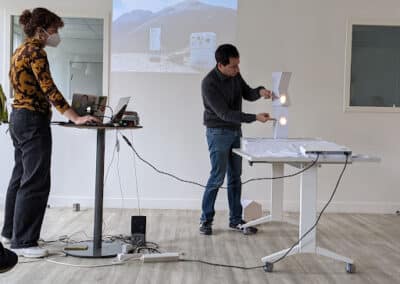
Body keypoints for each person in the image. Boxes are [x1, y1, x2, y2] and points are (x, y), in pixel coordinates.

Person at [1, 8, 100, 258]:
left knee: (21, 176)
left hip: (18, 118)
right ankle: (24, 243)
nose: (55, 36)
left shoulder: (19, 50)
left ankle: (11, 233)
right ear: (41, 30)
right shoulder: (36, 51)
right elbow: (49, 88)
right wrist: (75, 117)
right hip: (32, 121)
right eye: (54, 31)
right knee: (35, 180)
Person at [200, 44, 274, 235]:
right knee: (217, 177)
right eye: (233, 66)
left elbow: (247, 92)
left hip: (235, 133)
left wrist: (260, 91)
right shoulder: (208, 83)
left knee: (235, 177)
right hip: (218, 133)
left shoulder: (235, 75)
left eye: (238, 65)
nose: (237, 69)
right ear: (221, 65)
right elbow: (225, 114)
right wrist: (254, 118)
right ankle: (205, 221)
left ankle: (235, 220)